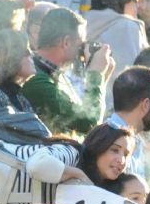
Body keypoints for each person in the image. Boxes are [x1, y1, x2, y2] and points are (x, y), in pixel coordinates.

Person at [22, 8, 112, 136]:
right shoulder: (35, 79)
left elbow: (84, 114)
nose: (81, 53)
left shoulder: (54, 74)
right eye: (80, 46)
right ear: (66, 42)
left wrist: (103, 76)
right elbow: (89, 124)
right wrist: (96, 74)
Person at [84, 0, 146, 74]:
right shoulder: (128, 27)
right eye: (135, 0)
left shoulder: (83, 25)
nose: (138, 6)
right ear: (123, 0)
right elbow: (136, 73)